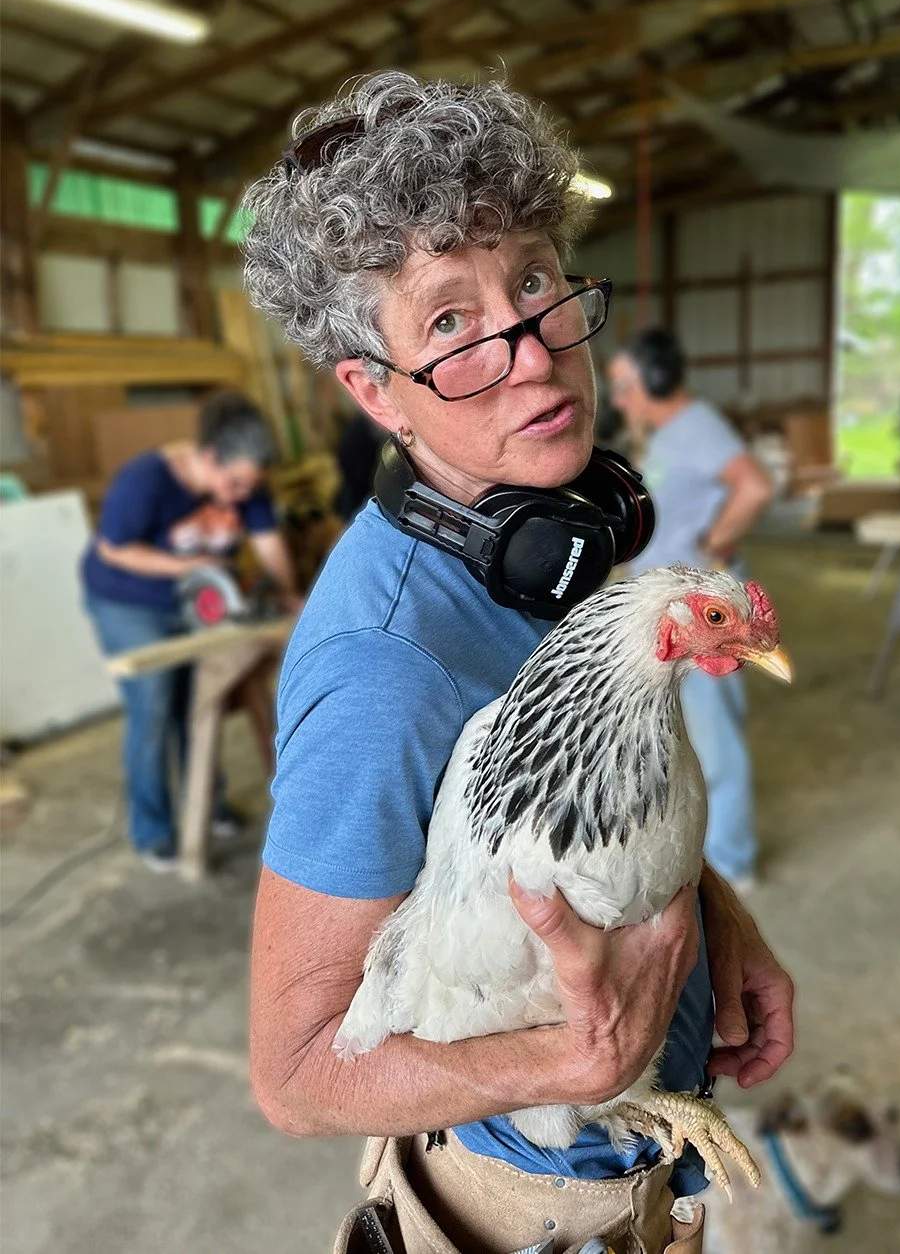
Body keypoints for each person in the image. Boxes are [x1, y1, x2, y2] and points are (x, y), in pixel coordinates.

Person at [243, 71, 793, 1250]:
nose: (535, 353)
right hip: (537, 1200)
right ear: (374, 393)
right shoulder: (384, 671)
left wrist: (719, 920)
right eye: (449, 323)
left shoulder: (544, 546)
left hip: (639, 1141)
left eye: (534, 281)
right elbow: (293, 1078)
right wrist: (582, 1054)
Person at [82, 391, 302, 871]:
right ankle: (153, 830)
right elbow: (113, 550)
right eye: (235, 483)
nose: (244, 494)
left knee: (199, 698)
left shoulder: (249, 483)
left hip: (194, 600)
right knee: (155, 704)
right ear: (208, 458)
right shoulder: (145, 481)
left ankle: (207, 806)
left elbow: (268, 545)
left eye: (251, 485)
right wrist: (191, 563)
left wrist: (284, 597)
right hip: (128, 599)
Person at [608, 330, 776, 891]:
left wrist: (714, 545)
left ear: (652, 379)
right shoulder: (671, 433)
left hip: (704, 611)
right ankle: (705, 845)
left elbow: (753, 487)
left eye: (624, 386)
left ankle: (731, 860)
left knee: (714, 731)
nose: (620, 399)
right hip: (674, 605)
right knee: (687, 729)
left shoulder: (697, 426)